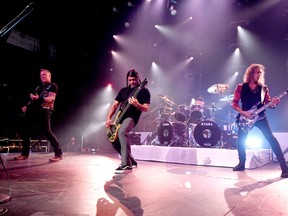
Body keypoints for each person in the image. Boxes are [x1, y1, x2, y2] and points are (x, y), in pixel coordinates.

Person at [231, 63, 288, 178]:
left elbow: (268, 103)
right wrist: (244, 113)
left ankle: (284, 168)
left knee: (272, 139)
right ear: (251, 73)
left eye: (260, 73)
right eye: (257, 72)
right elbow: (234, 103)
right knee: (241, 141)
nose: (259, 74)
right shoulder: (241, 87)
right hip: (245, 118)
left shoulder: (263, 88)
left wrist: (274, 103)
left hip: (261, 117)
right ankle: (241, 163)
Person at [105, 69, 151, 174]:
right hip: (119, 117)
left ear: (138, 79)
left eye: (134, 79)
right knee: (113, 140)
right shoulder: (123, 91)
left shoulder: (144, 91)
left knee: (122, 132)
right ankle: (131, 160)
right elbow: (115, 105)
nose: (132, 82)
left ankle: (125, 164)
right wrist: (108, 119)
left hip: (131, 117)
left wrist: (137, 104)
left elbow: (146, 108)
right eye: (130, 80)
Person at [14, 68, 63, 162]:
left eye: (44, 75)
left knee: (47, 131)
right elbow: (33, 100)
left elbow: (51, 98)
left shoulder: (53, 86)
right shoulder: (39, 87)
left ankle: (58, 153)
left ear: (49, 76)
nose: (42, 77)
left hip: (45, 110)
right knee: (26, 131)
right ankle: (24, 154)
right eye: (41, 75)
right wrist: (26, 106)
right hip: (34, 111)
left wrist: (39, 99)